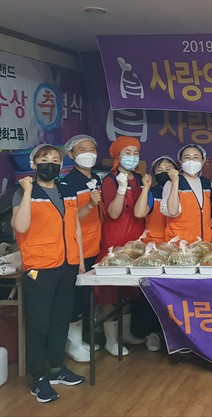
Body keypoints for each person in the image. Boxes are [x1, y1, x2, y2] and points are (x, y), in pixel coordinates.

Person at [12, 144, 86, 403]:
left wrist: (80, 259)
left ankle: (57, 369)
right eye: (44, 159)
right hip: (39, 267)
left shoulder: (67, 190)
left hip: (67, 265)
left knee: (60, 321)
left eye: (55, 160)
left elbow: (75, 225)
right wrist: (28, 192)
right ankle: (39, 379)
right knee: (39, 324)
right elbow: (20, 226)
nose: (50, 164)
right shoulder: (23, 192)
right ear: (34, 164)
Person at [96, 135, 152, 357]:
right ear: (117, 156)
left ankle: (125, 334)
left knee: (129, 291)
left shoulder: (138, 178)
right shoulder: (111, 180)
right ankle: (111, 340)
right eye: (127, 153)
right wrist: (120, 189)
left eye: (135, 153)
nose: (132, 157)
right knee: (111, 292)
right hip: (115, 241)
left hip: (136, 240)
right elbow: (113, 213)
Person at [62, 134, 102, 362]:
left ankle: (80, 339)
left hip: (95, 244)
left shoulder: (95, 178)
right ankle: (73, 344)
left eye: (92, 149)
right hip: (78, 248)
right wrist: (90, 205)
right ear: (71, 155)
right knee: (75, 298)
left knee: (87, 296)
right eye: (82, 149)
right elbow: (68, 220)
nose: (88, 154)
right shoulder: (68, 183)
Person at [161, 144, 212, 243]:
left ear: (203, 161)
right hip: (180, 244)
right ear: (181, 162)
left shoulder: (207, 183)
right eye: (187, 157)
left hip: (203, 243)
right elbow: (172, 211)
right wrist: (175, 182)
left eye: (196, 157)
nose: (191, 161)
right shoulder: (171, 183)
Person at [141, 155, 178, 244]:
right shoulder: (152, 193)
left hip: (176, 241)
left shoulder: (183, 191)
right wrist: (146, 188)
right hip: (154, 243)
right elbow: (140, 213)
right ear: (154, 174)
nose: (164, 172)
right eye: (159, 170)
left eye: (168, 169)